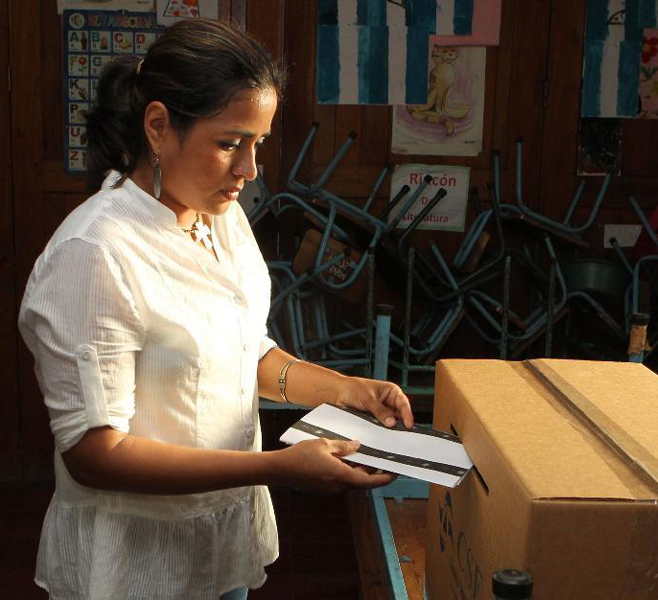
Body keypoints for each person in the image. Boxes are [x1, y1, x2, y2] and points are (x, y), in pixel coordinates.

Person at [18, 19, 412, 600]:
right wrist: (278, 468)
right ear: (159, 126)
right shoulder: (96, 255)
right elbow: (95, 454)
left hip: (219, 545)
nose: (249, 170)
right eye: (230, 143)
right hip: (136, 566)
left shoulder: (219, 219)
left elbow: (237, 350)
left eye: (258, 144)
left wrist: (342, 389)